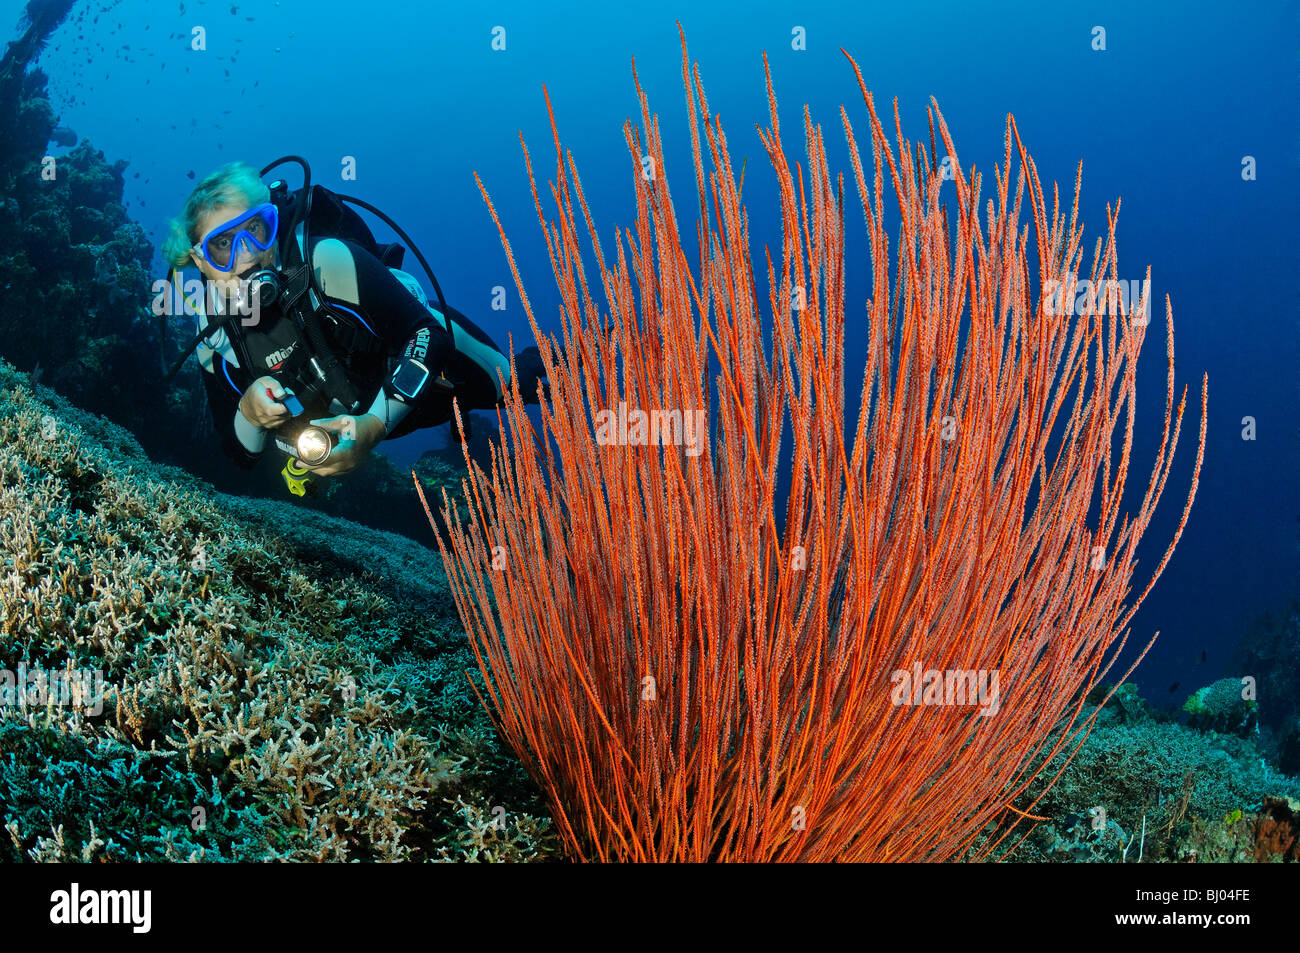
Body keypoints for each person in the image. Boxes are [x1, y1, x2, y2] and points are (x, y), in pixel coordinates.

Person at [161, 161, 546, 482]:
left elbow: (428, 335)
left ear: (272, 223)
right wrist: (249, 413)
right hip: (369, 416)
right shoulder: (213, 333)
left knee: (520, 385)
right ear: (197, 259)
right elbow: (239, 455)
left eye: (255, 229)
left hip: (437, 375)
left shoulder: (326, 260)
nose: (246, 255)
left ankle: (586, 347)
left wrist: (374, 427)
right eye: (222, 244)